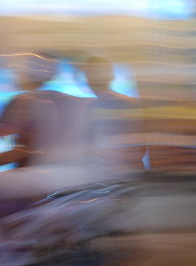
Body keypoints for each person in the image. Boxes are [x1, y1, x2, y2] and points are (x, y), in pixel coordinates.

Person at [0, 52, 92, 202]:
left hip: (37, 182)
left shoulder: (23, 101)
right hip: (70, 178)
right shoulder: (72, 101)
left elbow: (23, 149)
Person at [80, 55, 145, 181]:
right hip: (133, 174)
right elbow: (141, 148)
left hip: (103, 177)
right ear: (111, 77)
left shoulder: (88, 108)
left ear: (88, 80)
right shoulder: (132, 103)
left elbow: (85, 150)